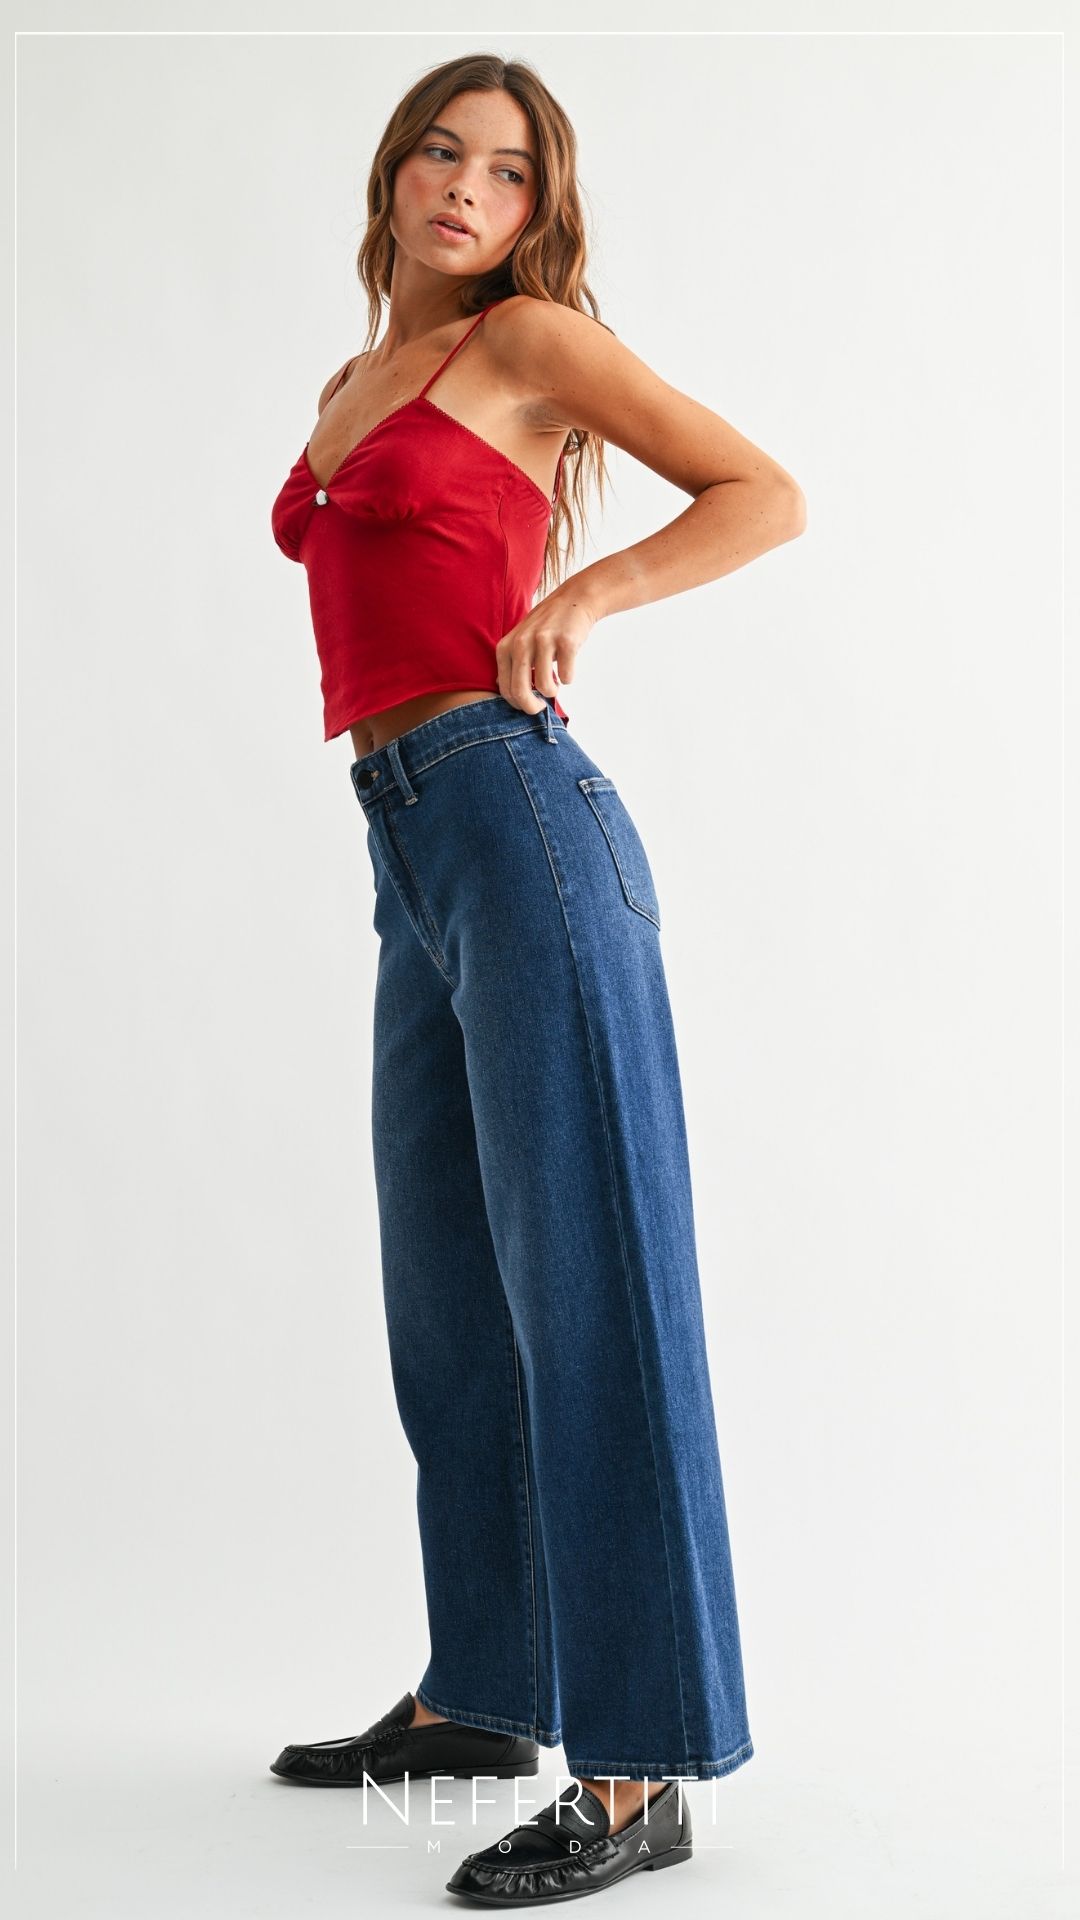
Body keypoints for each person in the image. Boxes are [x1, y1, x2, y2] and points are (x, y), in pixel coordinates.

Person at [269, 51, 805, 1910]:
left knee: (591, 1285)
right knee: (446, 1298)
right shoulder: (351, 385)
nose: (464, 189)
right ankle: (487, 1694)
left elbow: (761, 492)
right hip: (409, 845)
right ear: (393, 173)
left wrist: (586, 597)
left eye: (505, 173)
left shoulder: (533, 346)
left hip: (519, 818)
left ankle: (642, 1766)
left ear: (534, 214)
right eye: (440, 152)